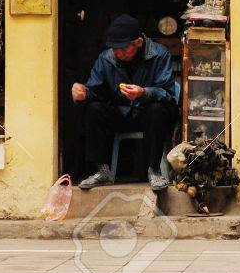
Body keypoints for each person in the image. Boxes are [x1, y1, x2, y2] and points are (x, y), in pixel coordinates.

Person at [71, 14, 177, 191]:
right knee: (93, 109)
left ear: (138, 43)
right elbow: (95, 91)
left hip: (147, 115)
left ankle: (155, 171)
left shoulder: (160, 54)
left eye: (123, 49)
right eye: (115, 49)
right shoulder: (106, 59)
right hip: (120, 113)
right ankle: (103, 171)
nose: (118, 53)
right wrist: (83, 94)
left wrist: (144, 93)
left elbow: (168, 93)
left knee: (157, 109)